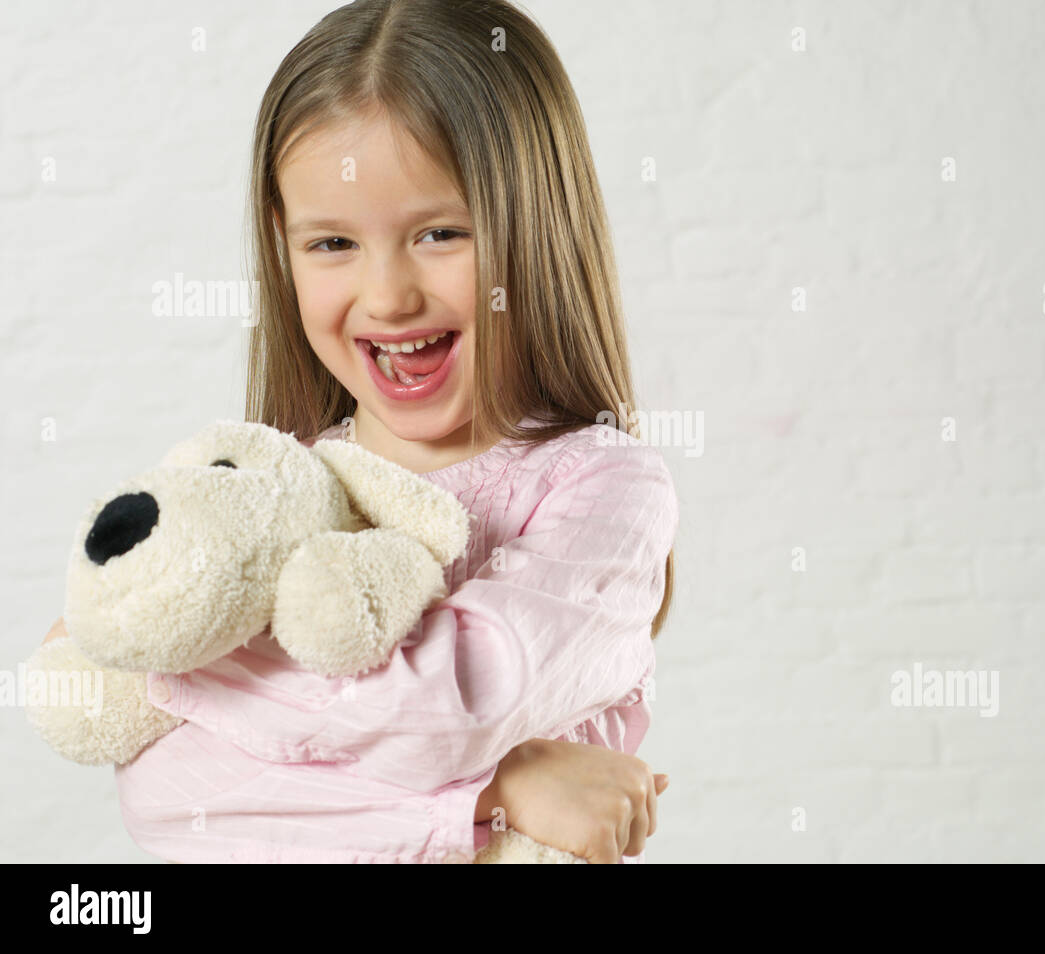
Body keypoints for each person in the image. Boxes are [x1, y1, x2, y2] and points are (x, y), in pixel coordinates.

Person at [42, 0, 678, 864]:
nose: (387, 296)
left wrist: (172, 668)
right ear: (282, 247)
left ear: (539, 226)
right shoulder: (287, 490)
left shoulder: (602, 488)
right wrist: (491, 799)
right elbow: (168, 801)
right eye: (333, 242)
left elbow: (457, 702)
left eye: (441, 233)